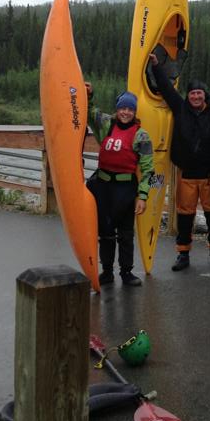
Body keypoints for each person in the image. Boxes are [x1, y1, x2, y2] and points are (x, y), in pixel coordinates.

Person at [148, 52, 210, 271]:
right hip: (186, 173)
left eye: (199, 93)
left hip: (209, 175)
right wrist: (156, 66)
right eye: (192, 93)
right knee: (184, 216)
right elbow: (165, 88)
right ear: (188, 95)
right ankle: (183, 253)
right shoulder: (180, 108)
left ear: (205, 95)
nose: (196, 97)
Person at [85, 84, 156, 286]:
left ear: (134, 112)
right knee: (105, 234)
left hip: (125, 190)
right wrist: (88, 94)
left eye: (130, 109)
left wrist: (142, 196)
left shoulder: (141, 136)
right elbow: (90, 113)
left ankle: (126, 272)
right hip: (103, 188)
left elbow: (148, 170)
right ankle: (107, 272)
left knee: (125, 234)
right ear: (117, 109)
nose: (126, 112)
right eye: (123, 108)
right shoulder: (107, 125)